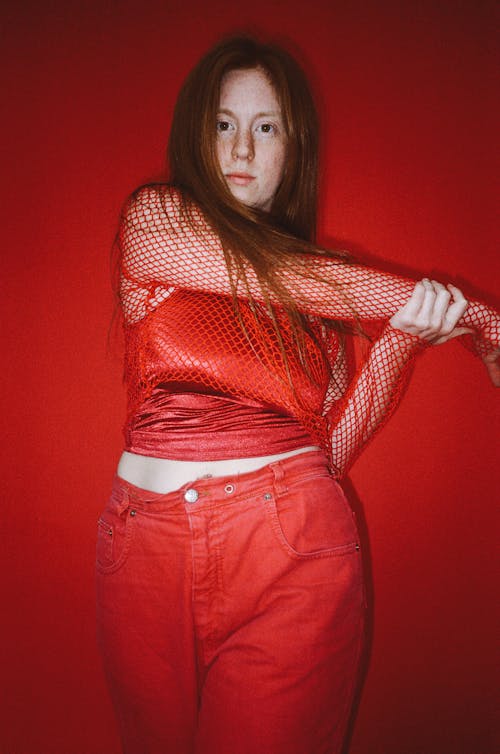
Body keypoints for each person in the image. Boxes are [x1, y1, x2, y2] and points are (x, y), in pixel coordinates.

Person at [96, 35, 499, 754]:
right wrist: (482, 320)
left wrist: (403, 336)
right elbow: (304, 282)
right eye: (223, 123)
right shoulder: (156, 220)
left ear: (294, 146)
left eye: (266, 125)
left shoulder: (326, 285)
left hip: (295, 552)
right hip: (146, 553)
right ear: (196, 131)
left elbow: (332, 450)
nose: (242, 148)